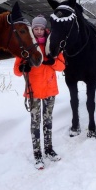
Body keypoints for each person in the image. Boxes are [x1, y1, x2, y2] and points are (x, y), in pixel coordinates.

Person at [14, 15, 65, 170]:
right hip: (33, 91)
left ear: (45, 29)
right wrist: (23, 68)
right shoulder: (26, 46)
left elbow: (62, 66)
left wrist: (53, 61)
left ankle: (49, 149)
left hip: (50, 90)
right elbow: (16, 70)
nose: (38, 31)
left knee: (48, 121)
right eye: (35, 28)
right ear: (32, 30)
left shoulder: (53, 46)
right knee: (35, 123)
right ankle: (37, 154)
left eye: (41, 28)